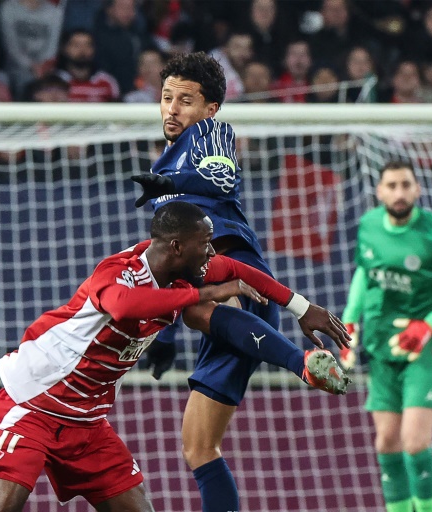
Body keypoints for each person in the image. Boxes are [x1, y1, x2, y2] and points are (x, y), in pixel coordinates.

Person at [0, 201, 350, 512]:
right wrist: (203, 295)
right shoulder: (118, 273)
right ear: (177, 248)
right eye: (206, 244)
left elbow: (237, 269)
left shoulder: (187, 273)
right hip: (33, 405)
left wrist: (300, 307)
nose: (212, 253)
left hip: (87, 425)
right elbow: (122, 306)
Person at [129, 52, 350, 512]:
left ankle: (302, 363)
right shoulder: (167, 161)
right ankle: (301, 362)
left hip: (236, 273)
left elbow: (220, 174)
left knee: (193, 303)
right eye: (166, 97)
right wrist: (166, 334)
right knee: (198, 447)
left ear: (210, 108)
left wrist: (164, 180)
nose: (172, 109)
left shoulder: (210, 133)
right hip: (226, 296)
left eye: (185, 100)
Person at [340, 161, 432, 512]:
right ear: (379, 192)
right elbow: (365, 272)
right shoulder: (369, 226)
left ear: (418, 189)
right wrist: (349, 321)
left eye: (406, 185)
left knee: (414, 441)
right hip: (381, 343)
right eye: (391, 185)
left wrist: (429, 324)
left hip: (430, 346)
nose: (399, 192)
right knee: (387, 442)